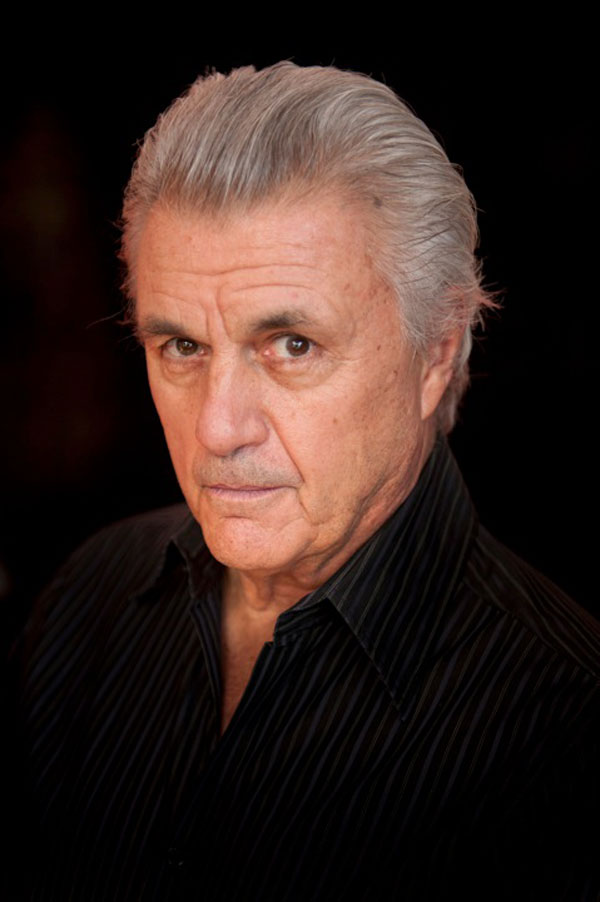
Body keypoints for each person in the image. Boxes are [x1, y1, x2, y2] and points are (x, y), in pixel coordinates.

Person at [11, 63, 599, 901]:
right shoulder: (87, 599)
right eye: (182, 347)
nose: (218, 429)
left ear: (436, 353)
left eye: (292, 345)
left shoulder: (565, 726)